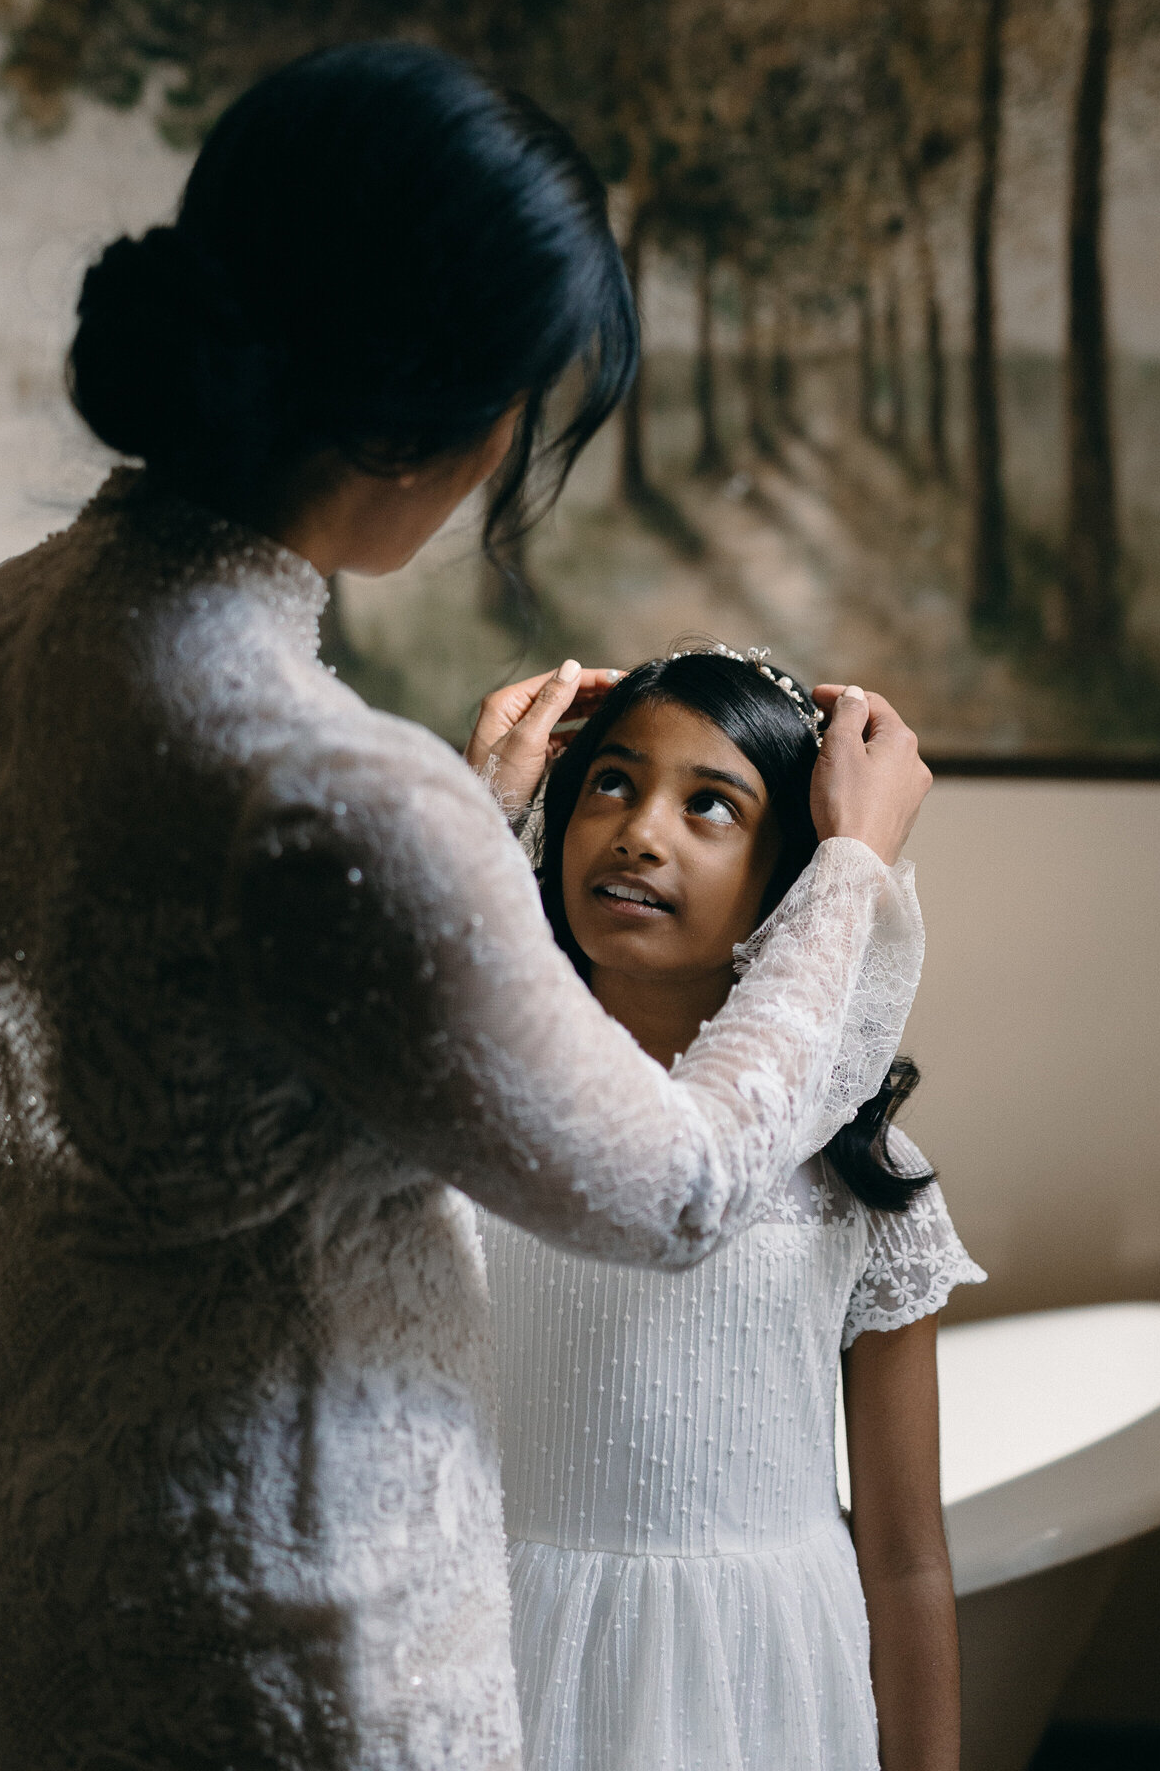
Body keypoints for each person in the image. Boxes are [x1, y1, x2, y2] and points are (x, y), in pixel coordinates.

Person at [0, 41, 933, 1771]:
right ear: (445, 413)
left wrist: (453, 837)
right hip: (271, 1589)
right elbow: (676, 1187)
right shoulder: (338, 798)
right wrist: (850, 872)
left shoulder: (6, 625)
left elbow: (195, 1030)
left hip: (17, 1505)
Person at [484, 645, 984, 1771]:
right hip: (503, 1662)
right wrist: (476, 814)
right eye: (612, 781)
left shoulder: (862, 1180)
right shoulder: (473, 1128)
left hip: (762, 1687)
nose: (639, 831)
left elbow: (905, 1559)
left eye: (711, 805)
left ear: (793, 878)